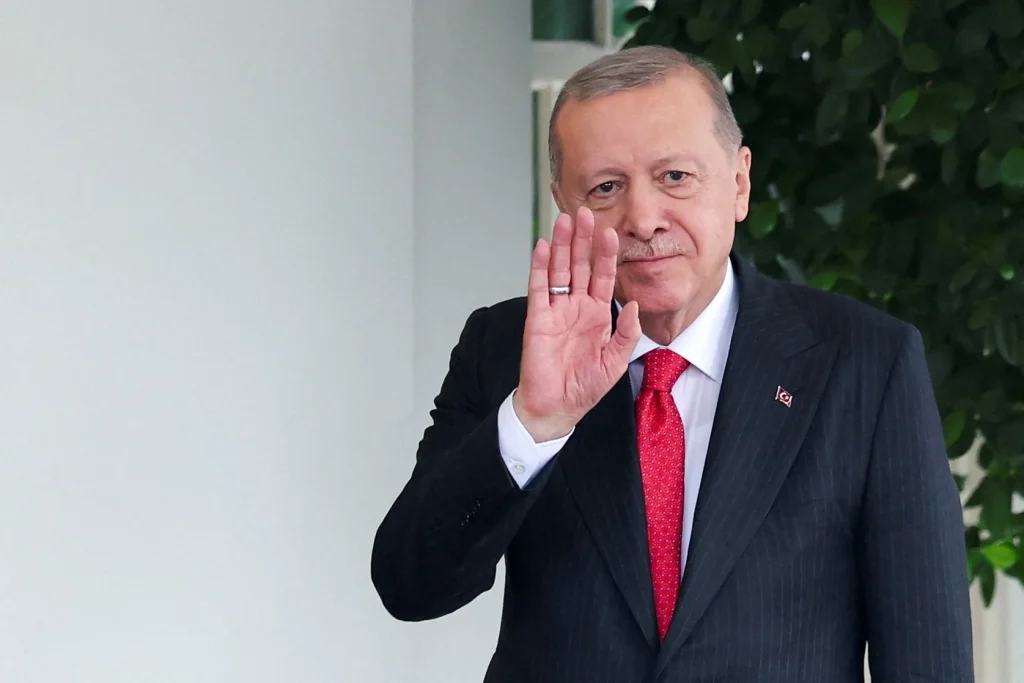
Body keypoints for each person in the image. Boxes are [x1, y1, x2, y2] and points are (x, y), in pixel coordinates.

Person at [371, 46, 974, 682]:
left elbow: (927, 655)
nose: (643, 219)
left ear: (738, 183)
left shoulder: (865, 361)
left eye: (675, 176)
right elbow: (411, 586)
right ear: (564, 206)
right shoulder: (507, 348)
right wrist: (534, 424)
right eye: (606, 188)